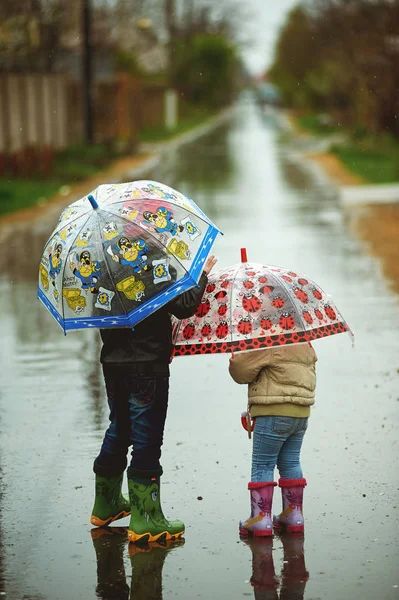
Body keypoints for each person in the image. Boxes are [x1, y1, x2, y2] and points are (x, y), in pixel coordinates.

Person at [90, 255, 217, 543]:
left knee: (119, 427)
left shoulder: (102, 268)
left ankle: (106, 504)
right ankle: (147, 519)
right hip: (147, 363)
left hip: (113, 362)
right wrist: (202, 275)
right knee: (147, 438)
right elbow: (184, 306)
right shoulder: (153, 262)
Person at [228, 343, 317, 536]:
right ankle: (294, 516)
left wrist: (236, 358)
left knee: (263, 464)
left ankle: (260, 520)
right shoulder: (305, 342)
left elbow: (241, 372)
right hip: (300, 414)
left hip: (272, 412)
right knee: (291, 461)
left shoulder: (269, 340)